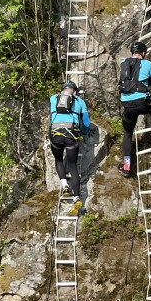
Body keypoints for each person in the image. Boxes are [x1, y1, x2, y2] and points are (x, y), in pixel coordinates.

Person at [118, 41, 151, 178]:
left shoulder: (123, 62)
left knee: (128, 133)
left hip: (127, 106)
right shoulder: (146, 64)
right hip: (143, 103)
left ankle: (126, 167)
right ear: (143, 53)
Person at [49, 80, 90, 216]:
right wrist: (83, 132)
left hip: (55, 134)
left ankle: (64, 185)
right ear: (75, 91)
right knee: (72, 165)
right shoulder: (79, 101)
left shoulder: (53, 98)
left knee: (59, 160)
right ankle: (77, 197)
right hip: (71, 133)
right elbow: (85, 122)